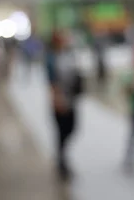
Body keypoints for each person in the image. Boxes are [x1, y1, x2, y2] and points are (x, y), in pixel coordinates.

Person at [45, 31, 82, 181]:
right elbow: (52, 82)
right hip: (60, 100)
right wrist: (57, 100)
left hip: (71, 98)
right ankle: (62, 162)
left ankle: (62, 157)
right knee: (61, 132)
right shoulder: (51, 59)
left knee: (72, 128)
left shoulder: (68, 55)